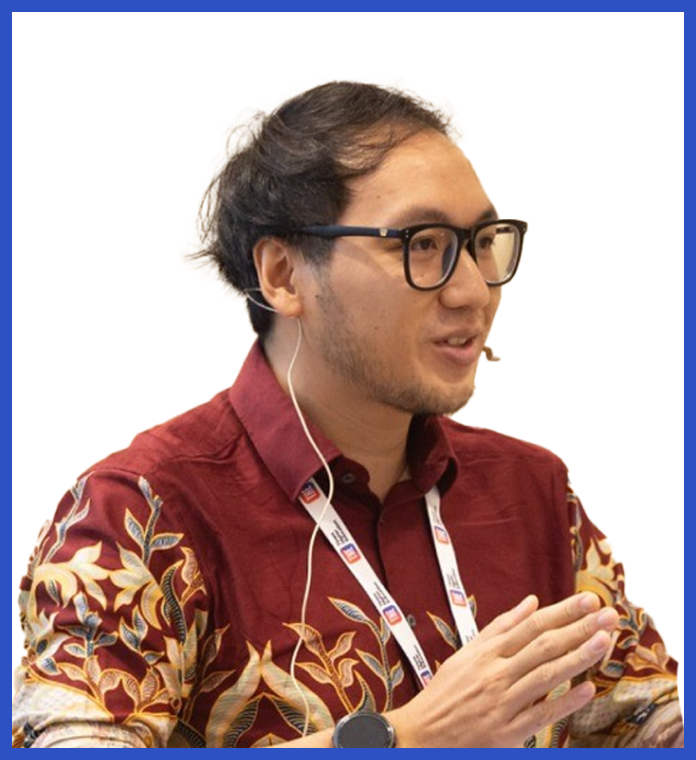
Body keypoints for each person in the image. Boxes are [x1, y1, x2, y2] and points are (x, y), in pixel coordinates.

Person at [12, 73, 683, 749]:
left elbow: (652, 726)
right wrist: (404, 739)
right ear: (282, 275)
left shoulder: (532, 491)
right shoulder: (142, 510)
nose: (474, 292)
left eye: (483, 242)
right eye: (422, 243)